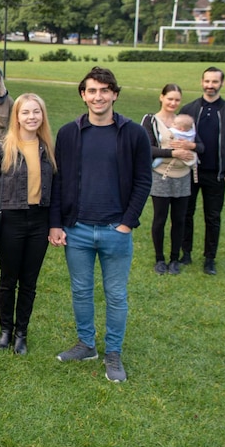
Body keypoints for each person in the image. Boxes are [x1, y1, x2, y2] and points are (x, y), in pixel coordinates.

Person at [48, 67, 151, 383]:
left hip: (115, 230)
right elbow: (59, 180)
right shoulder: (69, 133)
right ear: (83, 94)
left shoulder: (133, 133)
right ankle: (86, 344)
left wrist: (127, 223)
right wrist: (57, 223)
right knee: (81, 290)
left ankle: (113, 353)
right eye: (92, 90)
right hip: (77, 229)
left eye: (105, 90)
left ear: (115, 94)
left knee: (116, 294)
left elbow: (143, 180)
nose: (98, 96)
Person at [0, 93, 56, 354]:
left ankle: (22, 332)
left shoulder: (48, 148)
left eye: (36, 112)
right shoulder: (2, 148)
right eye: (25, 112)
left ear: (42, 116)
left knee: (29, 281)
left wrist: (55, 224)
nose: (31, 117)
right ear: (16, 116)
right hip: (10, 221)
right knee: (9, 279)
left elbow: (58, 189)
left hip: (39, 221)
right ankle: (6, 330)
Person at [179, 67, 225, 276]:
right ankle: (185, 253)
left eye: (214, 82)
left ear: (222, 84)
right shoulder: (189, 109)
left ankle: (209, 259)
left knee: (212, 217)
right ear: (201, 82)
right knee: (185, 214)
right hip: (189, 172)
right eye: (207, 81)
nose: (210, 85)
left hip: (216, 175)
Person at [142, 85, 203, 276]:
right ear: (161, 97)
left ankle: (175, 259)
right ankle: (160, 259)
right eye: (169, 98)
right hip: (161, 175)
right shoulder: (151, 120)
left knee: (179, 219)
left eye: (177, 100)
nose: (173, 103)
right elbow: (147, 148)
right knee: (160, 219)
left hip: (183, 176)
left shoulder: (185, 122)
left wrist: (190, 145)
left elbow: (201, 147)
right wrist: (172, 152)